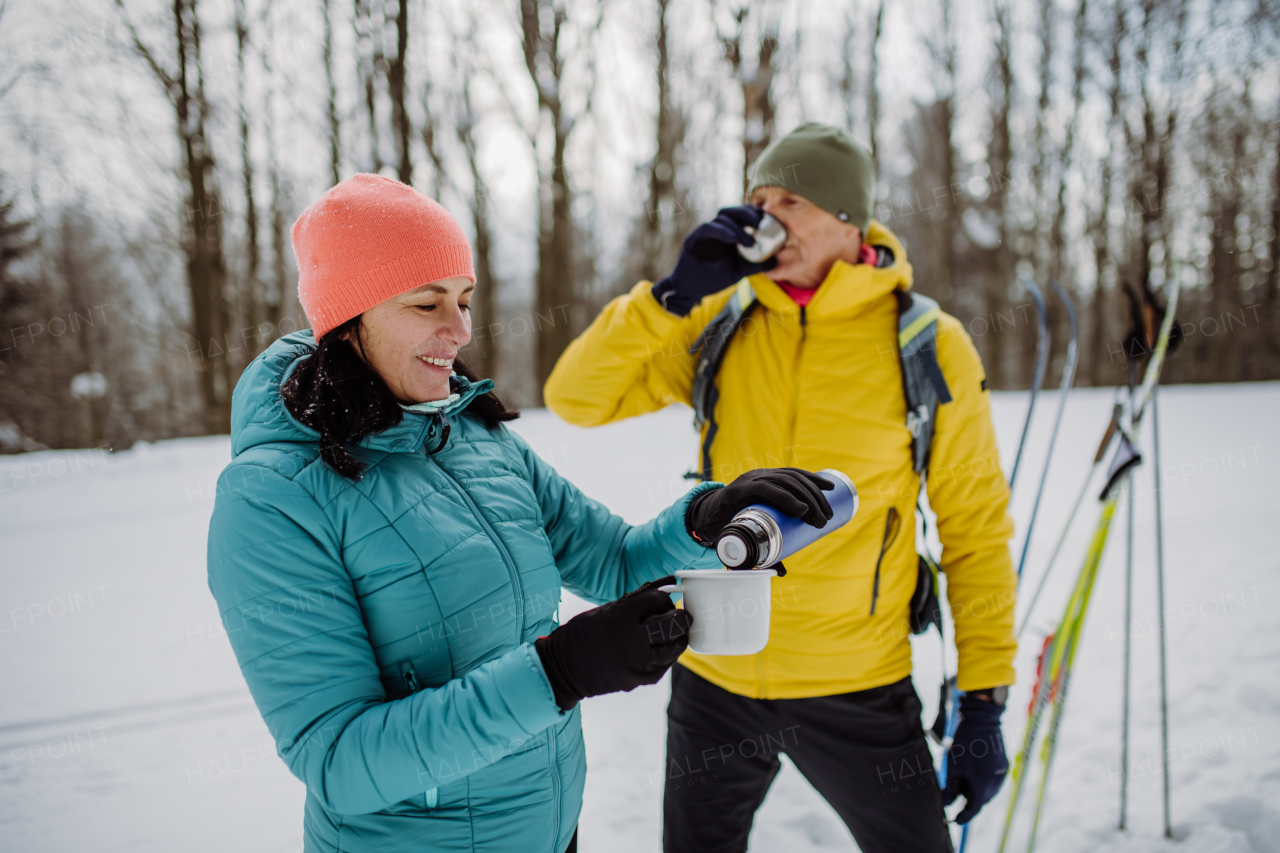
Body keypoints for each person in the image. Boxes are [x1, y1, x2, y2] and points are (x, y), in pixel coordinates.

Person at [204, 174, 834, 853]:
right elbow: (341, 762)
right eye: (427, 303)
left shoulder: (474, 434)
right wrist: (559, 671)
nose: (460, 328)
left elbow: (613, 560)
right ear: (347, 320)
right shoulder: (272, 498)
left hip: (550, 829)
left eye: (465, 299)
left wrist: (706, 515)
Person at [544, 123, 1019, 852]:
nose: (765, 217)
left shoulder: (926, 342)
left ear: (846, 218)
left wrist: (984, 700)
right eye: (757, 198)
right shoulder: (721, 321)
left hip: (857, 681)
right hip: (716, 668)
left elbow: (976, 528)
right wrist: (669, 296)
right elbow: (575, 395)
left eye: (789, 199)